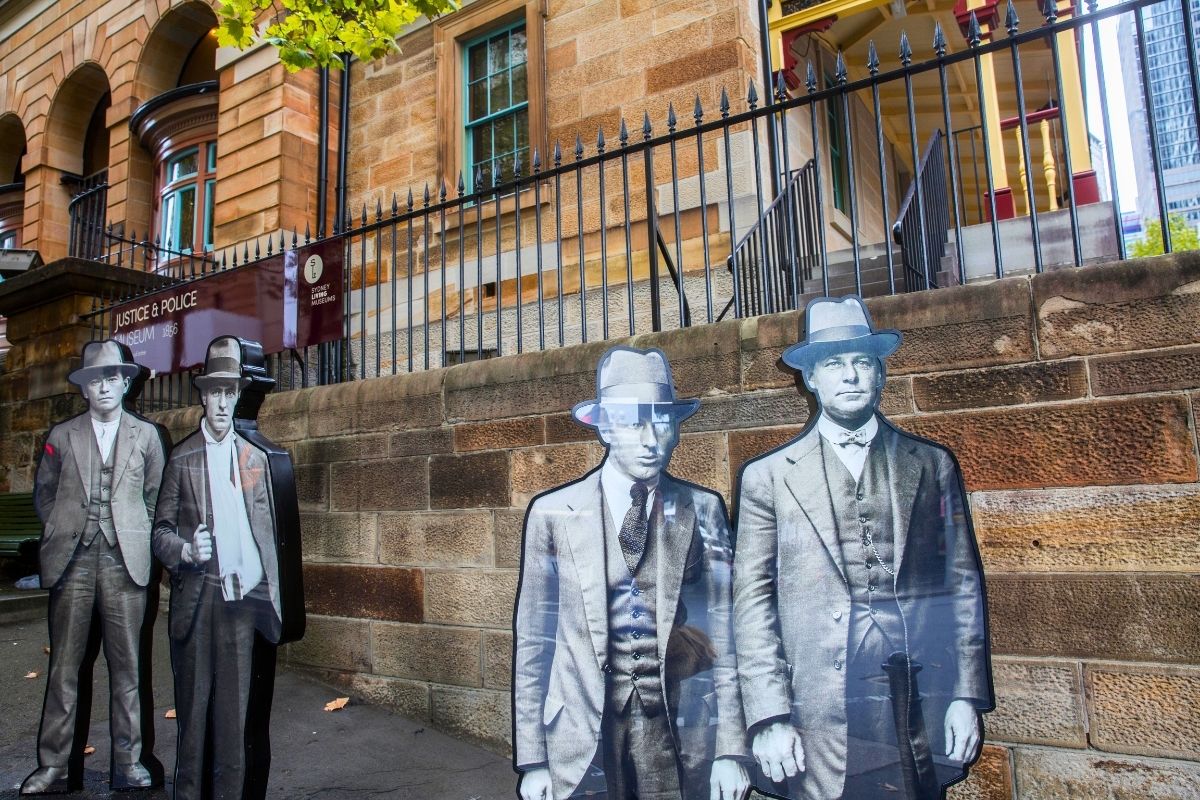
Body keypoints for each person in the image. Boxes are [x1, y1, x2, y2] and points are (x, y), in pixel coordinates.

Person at [732, 297, 992, 800]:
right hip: (814, 704)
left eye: (862, 362)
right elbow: (752, 603)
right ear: (811, 378)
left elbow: (961, 585)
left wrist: (966, 695)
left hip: (917, 695)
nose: (850, 375)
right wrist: (769, 715)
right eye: (833, 363)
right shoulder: (768, 477)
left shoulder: (930, 464)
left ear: (880, 373)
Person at [513, 346, 749, 800]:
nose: (650, 439)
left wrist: (731, 749)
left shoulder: (702, 508)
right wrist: (534, 759)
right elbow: (534, 642)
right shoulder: (554, 514)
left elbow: (727, 630)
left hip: (676, 727)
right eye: (632, 422)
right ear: (605, 427)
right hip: (582, 733)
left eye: (661, 422)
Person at [23, 339, 167, 794]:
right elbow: (45, 495)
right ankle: (54, 766)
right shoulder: (62, 436)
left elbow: (156, 498)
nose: (103, 387)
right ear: (84, 388)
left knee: (128, 668)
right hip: (73, 563)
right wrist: (64, 528)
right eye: (94, 380)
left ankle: (129, 762)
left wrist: (134, 533)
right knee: (64, 668)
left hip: (126, 564)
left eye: (112, 378)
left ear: (125, 384)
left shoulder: (147, 437)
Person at [152, 336, 282, 800]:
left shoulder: (255, 459)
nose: (223, 403)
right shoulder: (182, 458)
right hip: (198, 601)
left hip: (242, 606)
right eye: (215, 393)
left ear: (237, 396)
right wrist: (186, 550)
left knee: (233, 720)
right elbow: (159, 533)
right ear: (203, 397)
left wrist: (271, 596)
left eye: (230, 392)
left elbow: (269, 533)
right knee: (192, 719)